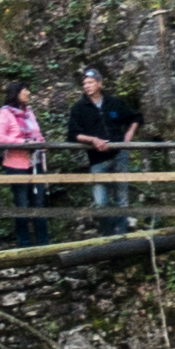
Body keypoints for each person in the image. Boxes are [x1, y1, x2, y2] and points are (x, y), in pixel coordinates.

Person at [65, 66, 141, 237]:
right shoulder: (79, 108)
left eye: (90, 82)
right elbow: (72, 134)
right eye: (85, 83)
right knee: (101, 202)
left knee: (122, 198)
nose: (87, 86)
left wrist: (128, 136)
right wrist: (92, 140)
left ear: (99, 84)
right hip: (97, 159)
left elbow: (135, 117)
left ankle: (121, 237)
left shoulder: (114, 103)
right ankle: (108, 237)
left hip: (118, 155)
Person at [0, 82, 47, 248]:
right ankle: (24, 244)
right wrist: (23, 142)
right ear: (16, 93)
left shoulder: (29, 112)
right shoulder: (5, 113)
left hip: (35, 163)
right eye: (25, 90)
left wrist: (41, 143)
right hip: (17, 164)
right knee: (22, 204)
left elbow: (37, 134)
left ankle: (44, 244)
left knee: (39, 203)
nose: (28, 93)